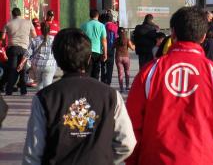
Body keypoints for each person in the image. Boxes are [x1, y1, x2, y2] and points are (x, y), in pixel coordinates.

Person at [126, 7, 213, 164]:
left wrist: (133, 161)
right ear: (203, 37)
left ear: (173, 33)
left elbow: (131, 126)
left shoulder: (149, 72)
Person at [22, 28, 136, 163]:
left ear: (57, 59)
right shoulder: (111, 95)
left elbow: (32, 154)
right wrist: (104, 159)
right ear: (89, 59)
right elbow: (127, 143)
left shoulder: (44, 97)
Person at [2, 8, 36, 95]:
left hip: (12, 48)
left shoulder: (8, 23)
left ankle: (9, 90)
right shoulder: (28, 22)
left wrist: (4, 45)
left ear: (12, 15)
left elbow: (2, 38)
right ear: (20, 14)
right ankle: (23, 90)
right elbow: (34, 36)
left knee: (12, 70)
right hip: (24, 48)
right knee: (23, 70)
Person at [18, 22, 56, 90]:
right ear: (49, 30)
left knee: (39, 84)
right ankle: (47, 98)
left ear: (41, 30)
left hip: (37, 66)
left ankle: (40, 98)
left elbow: (27, 54)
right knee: (48, 84)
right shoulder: (54, 40)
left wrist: (21, 63)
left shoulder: (35, 40)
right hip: (50, 65)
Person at [80, 9, 107, 80]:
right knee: (96, 73)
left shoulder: (83, 25)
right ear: (98, 16)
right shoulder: (101, 26)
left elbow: (80, 40)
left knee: (87, 72)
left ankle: (87, 89)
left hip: (86, 52)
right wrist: (105, 53)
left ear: (90, 16)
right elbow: (104, 41)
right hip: (97, 52)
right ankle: (95, 88)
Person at [100, 12, 118, 86]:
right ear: (112, 19)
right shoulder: (115, 27)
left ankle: (103, 80)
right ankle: (109, 81)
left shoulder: (102, 26)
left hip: (102, 48)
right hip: (111, 49)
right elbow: (116, 38)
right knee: (110, 66)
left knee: (103, 65)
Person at [115, 27, 135, 93]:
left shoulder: (116, 40)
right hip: (126, 57)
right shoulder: (127, 39)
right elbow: (132, 48)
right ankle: (127, 86)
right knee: (127, 71)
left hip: (118, 57)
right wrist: (134, 45)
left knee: (120, 73)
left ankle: (121, 88)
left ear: (118, 32)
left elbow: (112, 47)